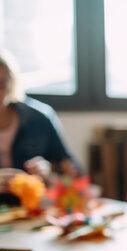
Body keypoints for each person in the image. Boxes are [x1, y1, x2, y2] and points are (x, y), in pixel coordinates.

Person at [0, 52, 79, 196]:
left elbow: (73, 171)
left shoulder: (39, 118)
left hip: (33, 207)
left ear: (11, 84)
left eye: (1, 85)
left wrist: (49, 173)